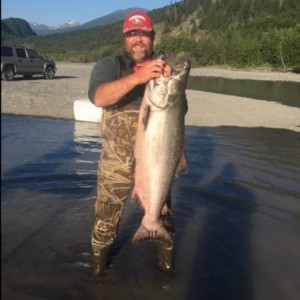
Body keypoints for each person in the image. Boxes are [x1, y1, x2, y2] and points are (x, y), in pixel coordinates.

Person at [88, 10, 178, 276]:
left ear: (152, 36)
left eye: (144, 34)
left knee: (165, 218)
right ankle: (97, 275)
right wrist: (139, 78)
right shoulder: (109, 65)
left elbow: (178, 116)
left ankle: (166, 273)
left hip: (157, 162)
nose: (138, 39)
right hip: (114, 164)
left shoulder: (164, 70)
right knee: (105, 222)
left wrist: (169, 84)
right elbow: (99, 97)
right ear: (124, 38)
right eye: (132, 34)